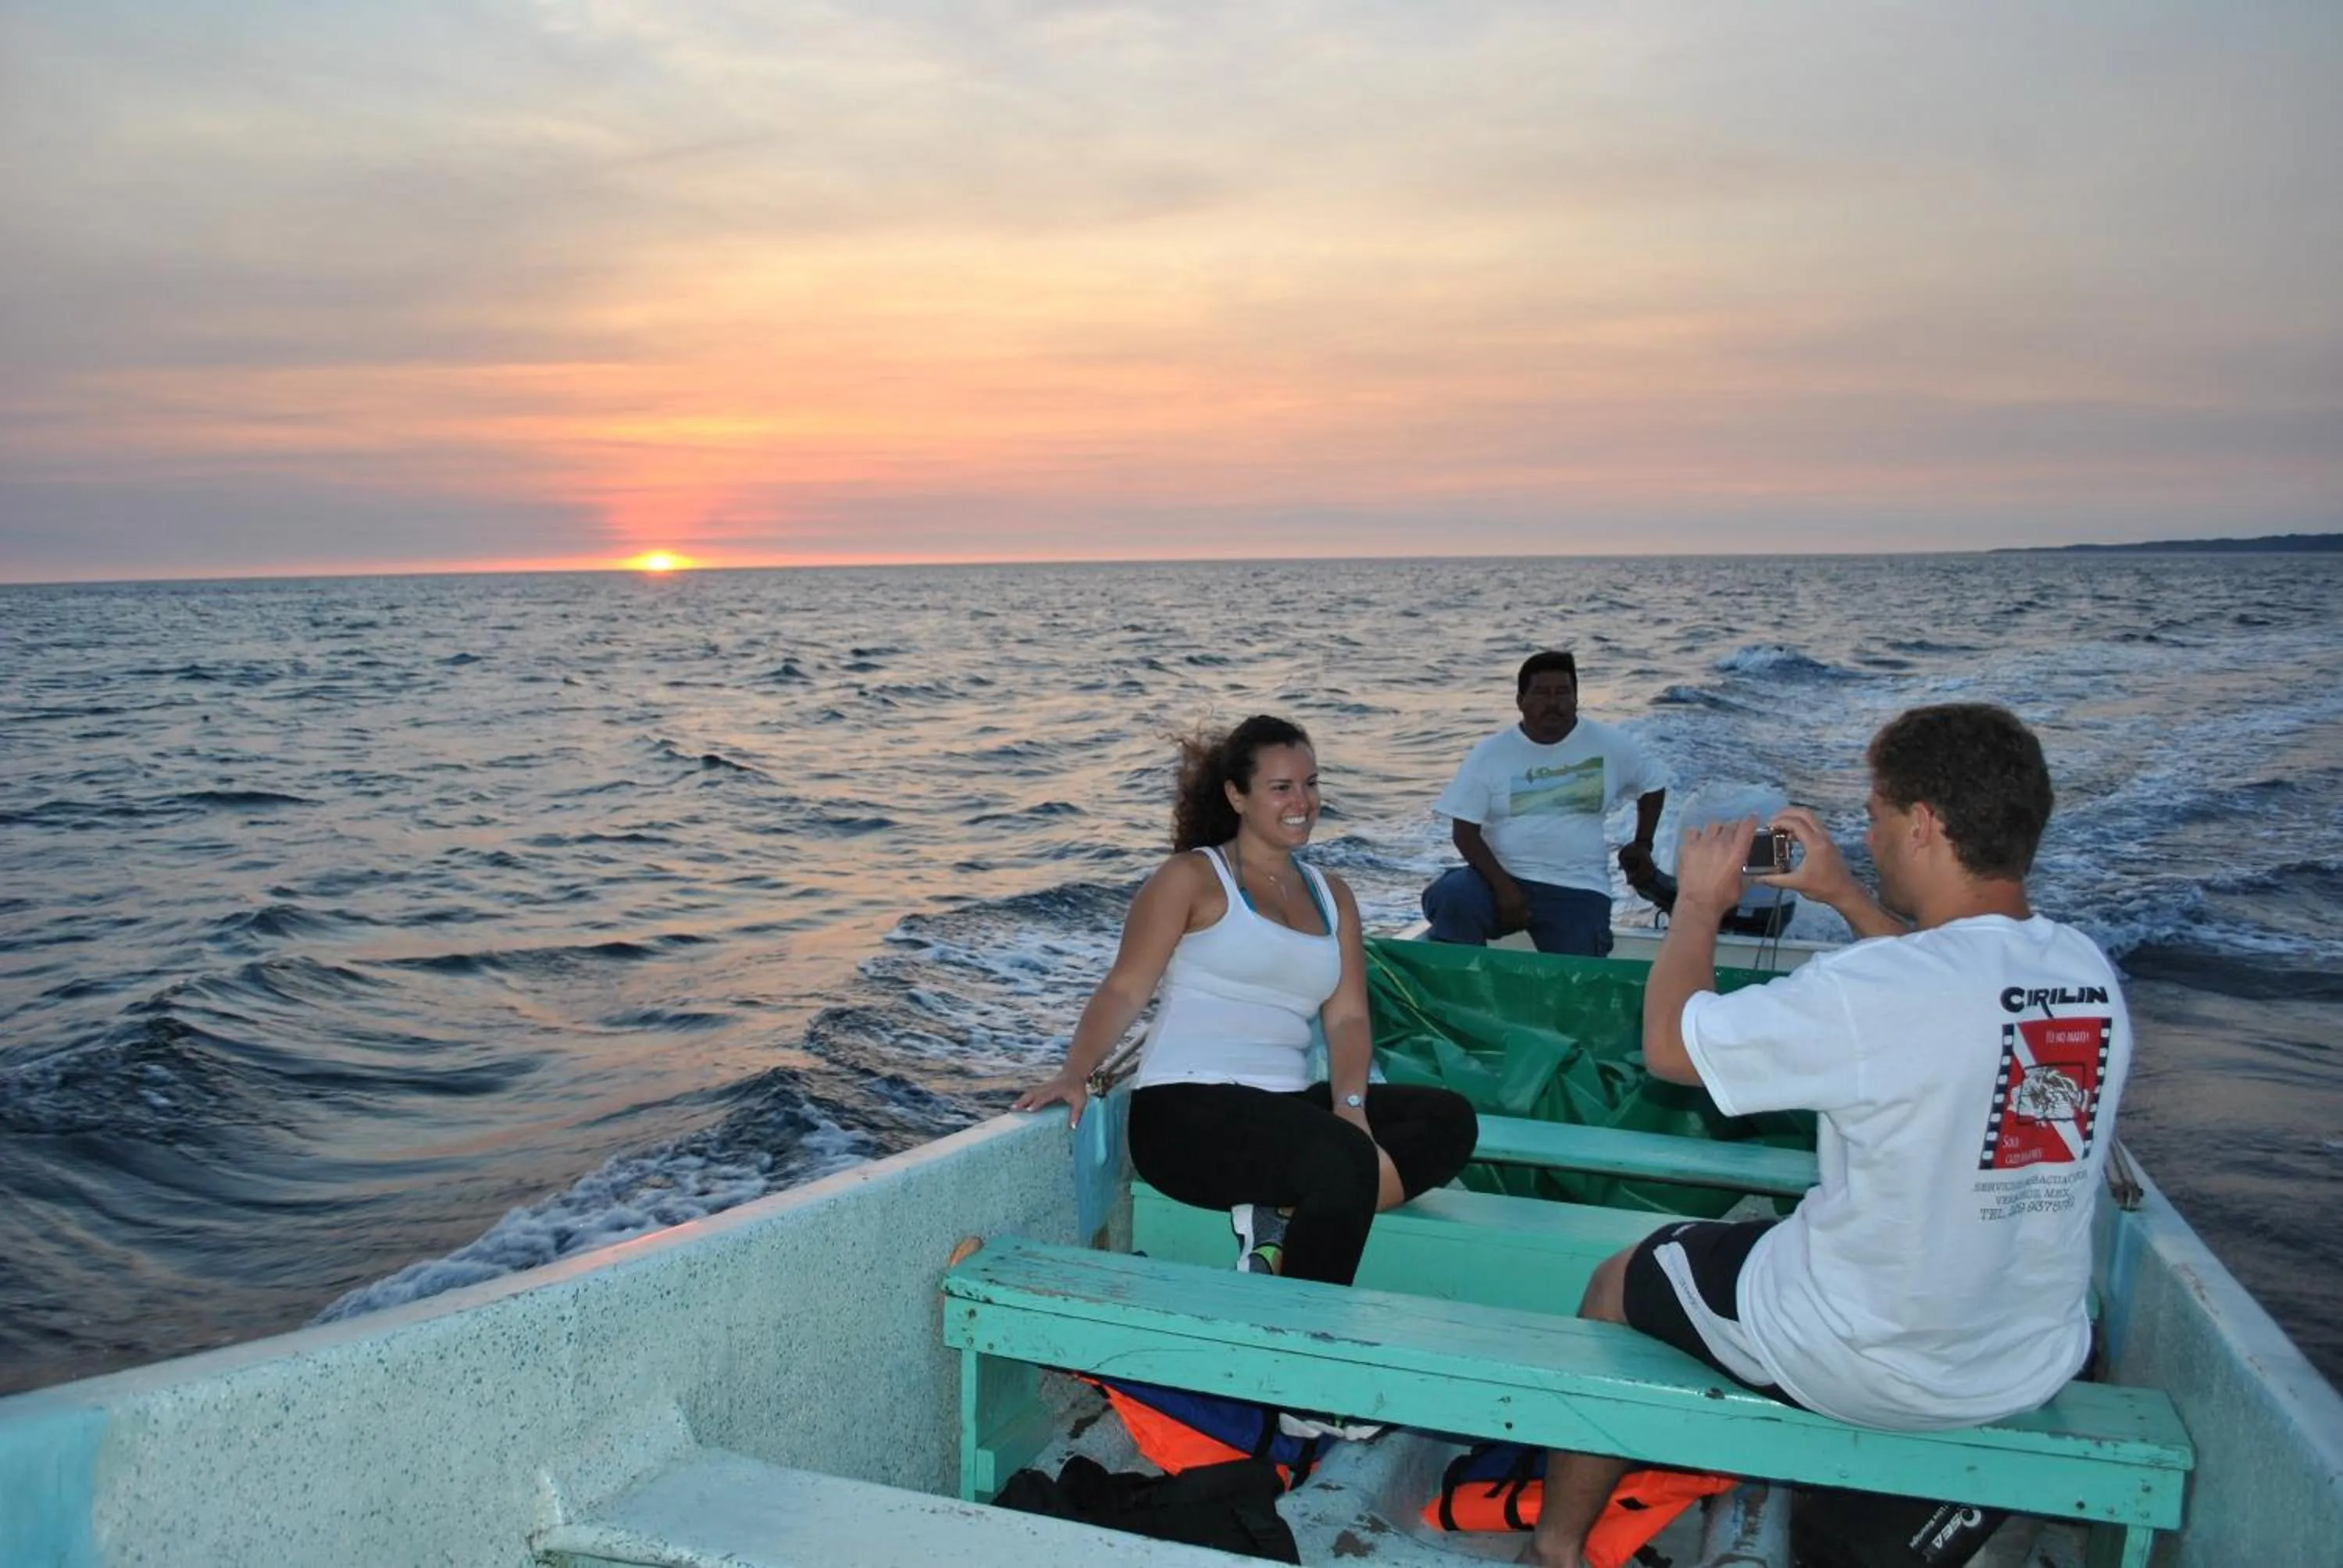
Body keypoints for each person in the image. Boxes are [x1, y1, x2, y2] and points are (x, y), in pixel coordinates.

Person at [1522, 703, 2133, 1568]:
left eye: (1878, 817)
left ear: (1923, 824)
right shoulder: (2082, 969)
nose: (1871, 836)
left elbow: (1670, 1045)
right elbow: (1948, 989)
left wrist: (1696, 906)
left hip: (1866, 1356)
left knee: (1620, 1279)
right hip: (2023, 1359)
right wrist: (1845, 894)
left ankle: (1554, 1548)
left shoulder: (1871, 986)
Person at [1016, 715, 1478, 1287]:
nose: (1302, 801)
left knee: (1450, 1120)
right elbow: (1125, 987)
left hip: (1287, 1109)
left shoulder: (1333, 895)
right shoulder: (1191, 878)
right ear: (1237, 795)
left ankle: (1282, 1213)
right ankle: (1297, 1329)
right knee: (1342, 1161)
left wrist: (1352, 1105)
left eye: (1311, 783)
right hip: (1186, 1112)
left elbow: (1350, 1016)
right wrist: (1075, 1072)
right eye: (1281, 787)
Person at [1422, 650, 1668, 957]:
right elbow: (1464, 833)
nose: (1553, 703)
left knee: (1580, 981)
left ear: (1576, 698)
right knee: (1452, 897)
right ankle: (1465, 990)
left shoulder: (1609, 744)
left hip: (1578, 887)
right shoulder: (1490, 754)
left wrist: (1642, 844)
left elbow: (1653, 784)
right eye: (1540, 693)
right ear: (1520, 701)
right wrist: (1505, 889)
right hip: (1499, 879)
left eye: (1563, 692)